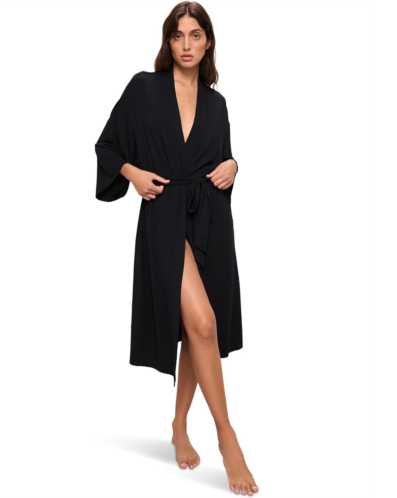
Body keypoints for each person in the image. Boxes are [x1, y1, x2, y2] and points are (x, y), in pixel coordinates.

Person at [95, 2, 258, 495]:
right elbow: (107, 147)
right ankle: (228, 436)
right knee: (203, 322)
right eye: (178, 35)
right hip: (165, 217)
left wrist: (235, 165)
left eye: (195, 35)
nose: (186, 44)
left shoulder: (217, 103)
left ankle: (179, 424)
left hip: (211, 220)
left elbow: (222, 159)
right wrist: (132, 173)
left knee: (196, 327)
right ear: (168, 42)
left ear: (208, 43)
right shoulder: (144, 88)